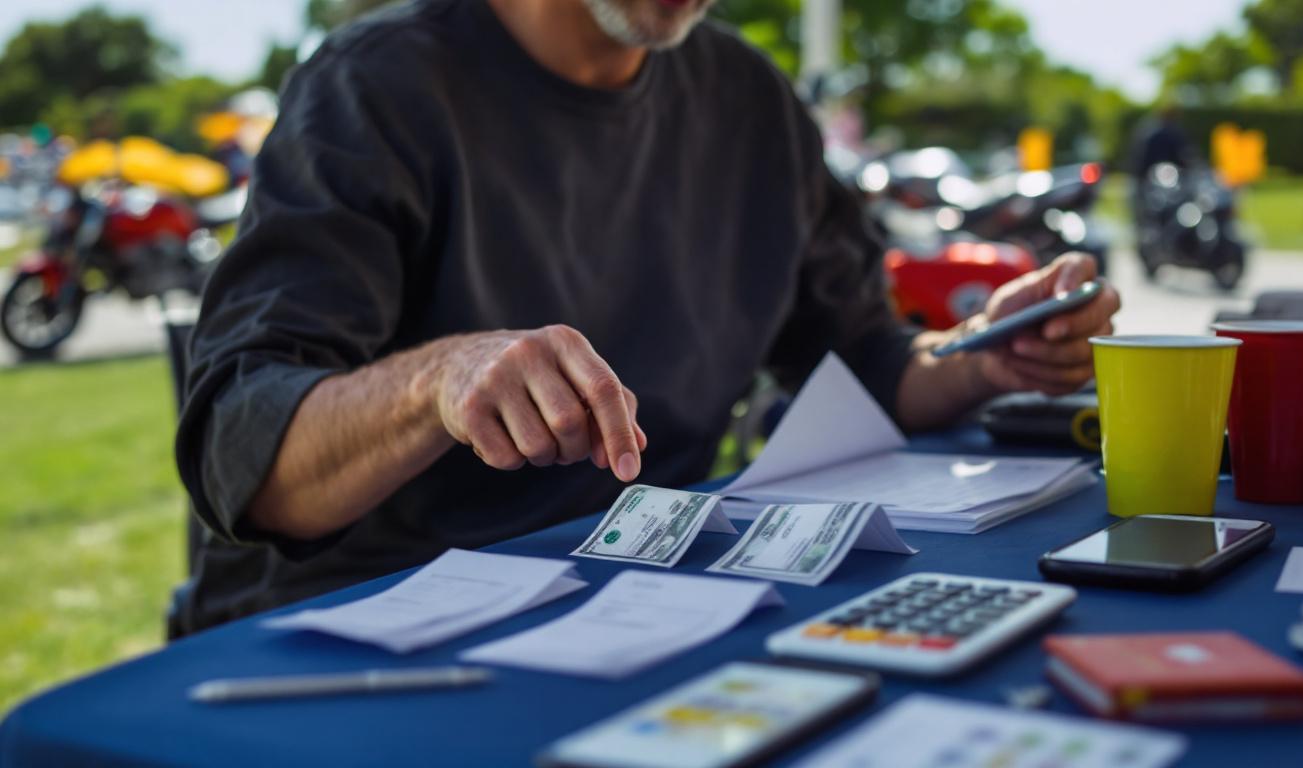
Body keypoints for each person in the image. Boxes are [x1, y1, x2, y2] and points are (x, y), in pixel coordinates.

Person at [174, 0, 1120, 632]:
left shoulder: (746, 97)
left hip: (648, 598)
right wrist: (439, 380)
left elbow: (869, 358)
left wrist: (986, 358)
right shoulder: (377, 85)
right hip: (369, 627)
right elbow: (245, 458)